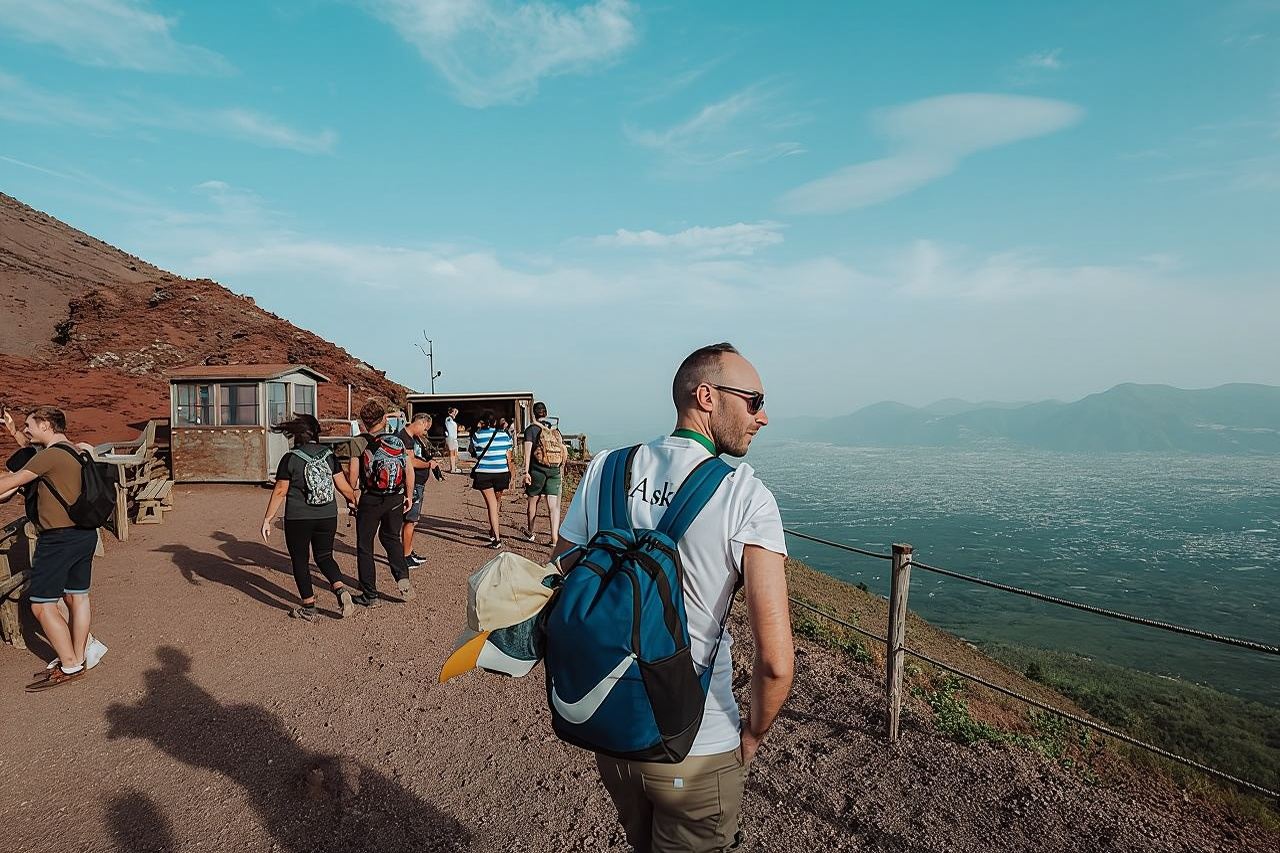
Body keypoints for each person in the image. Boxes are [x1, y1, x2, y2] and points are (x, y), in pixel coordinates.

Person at [551, 343, 794, 853]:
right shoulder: (745, 495)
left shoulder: (605, 470)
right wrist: (750, 736)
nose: (763, 416)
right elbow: (775, 662)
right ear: (707, 396)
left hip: (612, 729)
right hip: (699, 744)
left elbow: (564, 572)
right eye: (754, 400)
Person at [0, 406, 109, 692]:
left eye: (29, 425)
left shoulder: (49, 456)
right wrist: (11, 428)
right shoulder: (76, 450)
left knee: (41, 605)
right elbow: (30, 449)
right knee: (78, 597)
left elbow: (12, 482)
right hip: (84, 534)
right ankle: (80, 655)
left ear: (46, 425)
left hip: (58, 539)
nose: (26, 430)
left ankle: (70, 664)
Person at [259, 414, 360, 621]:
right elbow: (343, 487)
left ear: (295, 435)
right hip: (327, 515)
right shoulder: (329, 456)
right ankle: (341, 591)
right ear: (316, 434)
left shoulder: (290, 458)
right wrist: (353, 501)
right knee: (324, 556)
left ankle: (309, 607)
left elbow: (280, 491)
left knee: (300, 560)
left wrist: (268, 519)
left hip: (299, 518)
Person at [347, 398, 413, 605]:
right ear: (384, 419)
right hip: (395, 496)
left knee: (365, 545)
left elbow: (353, 475)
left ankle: (370, 594)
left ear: (363, 422)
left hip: (371, 498)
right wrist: (408, 496)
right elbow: (408, 470)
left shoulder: (358, 441)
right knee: (391, 537)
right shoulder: (397, 441)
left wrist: (352, 497)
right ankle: (402, 577)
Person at [397, 412, 441, 569]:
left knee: (413, 521)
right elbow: (411, 462)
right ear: (421, 423)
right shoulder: (405, 438)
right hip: (413, 485)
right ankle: (405, 556)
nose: (425, 432)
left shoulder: (411, 438)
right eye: (425, 428)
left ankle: (409, 550)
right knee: (410, 520)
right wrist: (430, 464)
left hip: (417, 483)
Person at [521, 401, 565, 548]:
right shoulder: (552, 429)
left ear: (534, 413)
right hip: (554, 470)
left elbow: (527, 453)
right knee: (553, 506)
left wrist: (526, 472)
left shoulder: (531, 430)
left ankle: (531, 532)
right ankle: (554, 538)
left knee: (533, 502)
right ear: (545, 413)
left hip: (537, 471)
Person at [469, 411, 513, 548]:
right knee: (496, 502)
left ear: (482, 422)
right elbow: (509, 457)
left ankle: (496, 538)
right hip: (502, 472)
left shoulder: (477, 435)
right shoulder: (505, 435)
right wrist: (513, 476)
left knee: (491, 505)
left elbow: (475, 454)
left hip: (485, 473)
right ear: (495, 422)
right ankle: (494, 530)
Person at [444, 407, 461, 474]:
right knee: (452, 453)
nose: (455, 414)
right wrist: (452, 413)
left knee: (455, 453)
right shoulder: (448, 419)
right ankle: (453, 469)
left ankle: (454, 467)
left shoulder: (452, 421)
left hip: (454, 438)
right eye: (453, 412)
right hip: (451, 438)